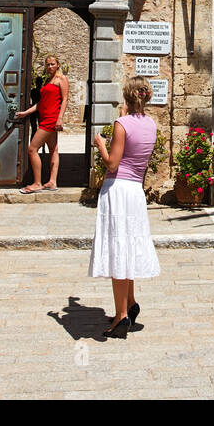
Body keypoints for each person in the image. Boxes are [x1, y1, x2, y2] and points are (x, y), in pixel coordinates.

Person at [89, 76, 160, 338]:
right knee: (128, 245)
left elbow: (112, 163)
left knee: (118, 247)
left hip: (117, 189)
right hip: (135, 192)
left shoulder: (122, 125)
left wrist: (100, 144)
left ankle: (120, 316)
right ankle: (130, 302)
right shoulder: (151, 124)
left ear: (127, 97)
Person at [13, 55, 69, 193]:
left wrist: (60, 118)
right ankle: (52, 182)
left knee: (32, 149)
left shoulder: (61, 79)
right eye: (48, 64)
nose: (50, 67)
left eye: (52, 64)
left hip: (51, 119)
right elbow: (41, 103)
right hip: (44, 118)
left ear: (58, 64)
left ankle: (37, 183)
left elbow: (65, 99)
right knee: (53, 150)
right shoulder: (48, 80)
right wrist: (26, 113)